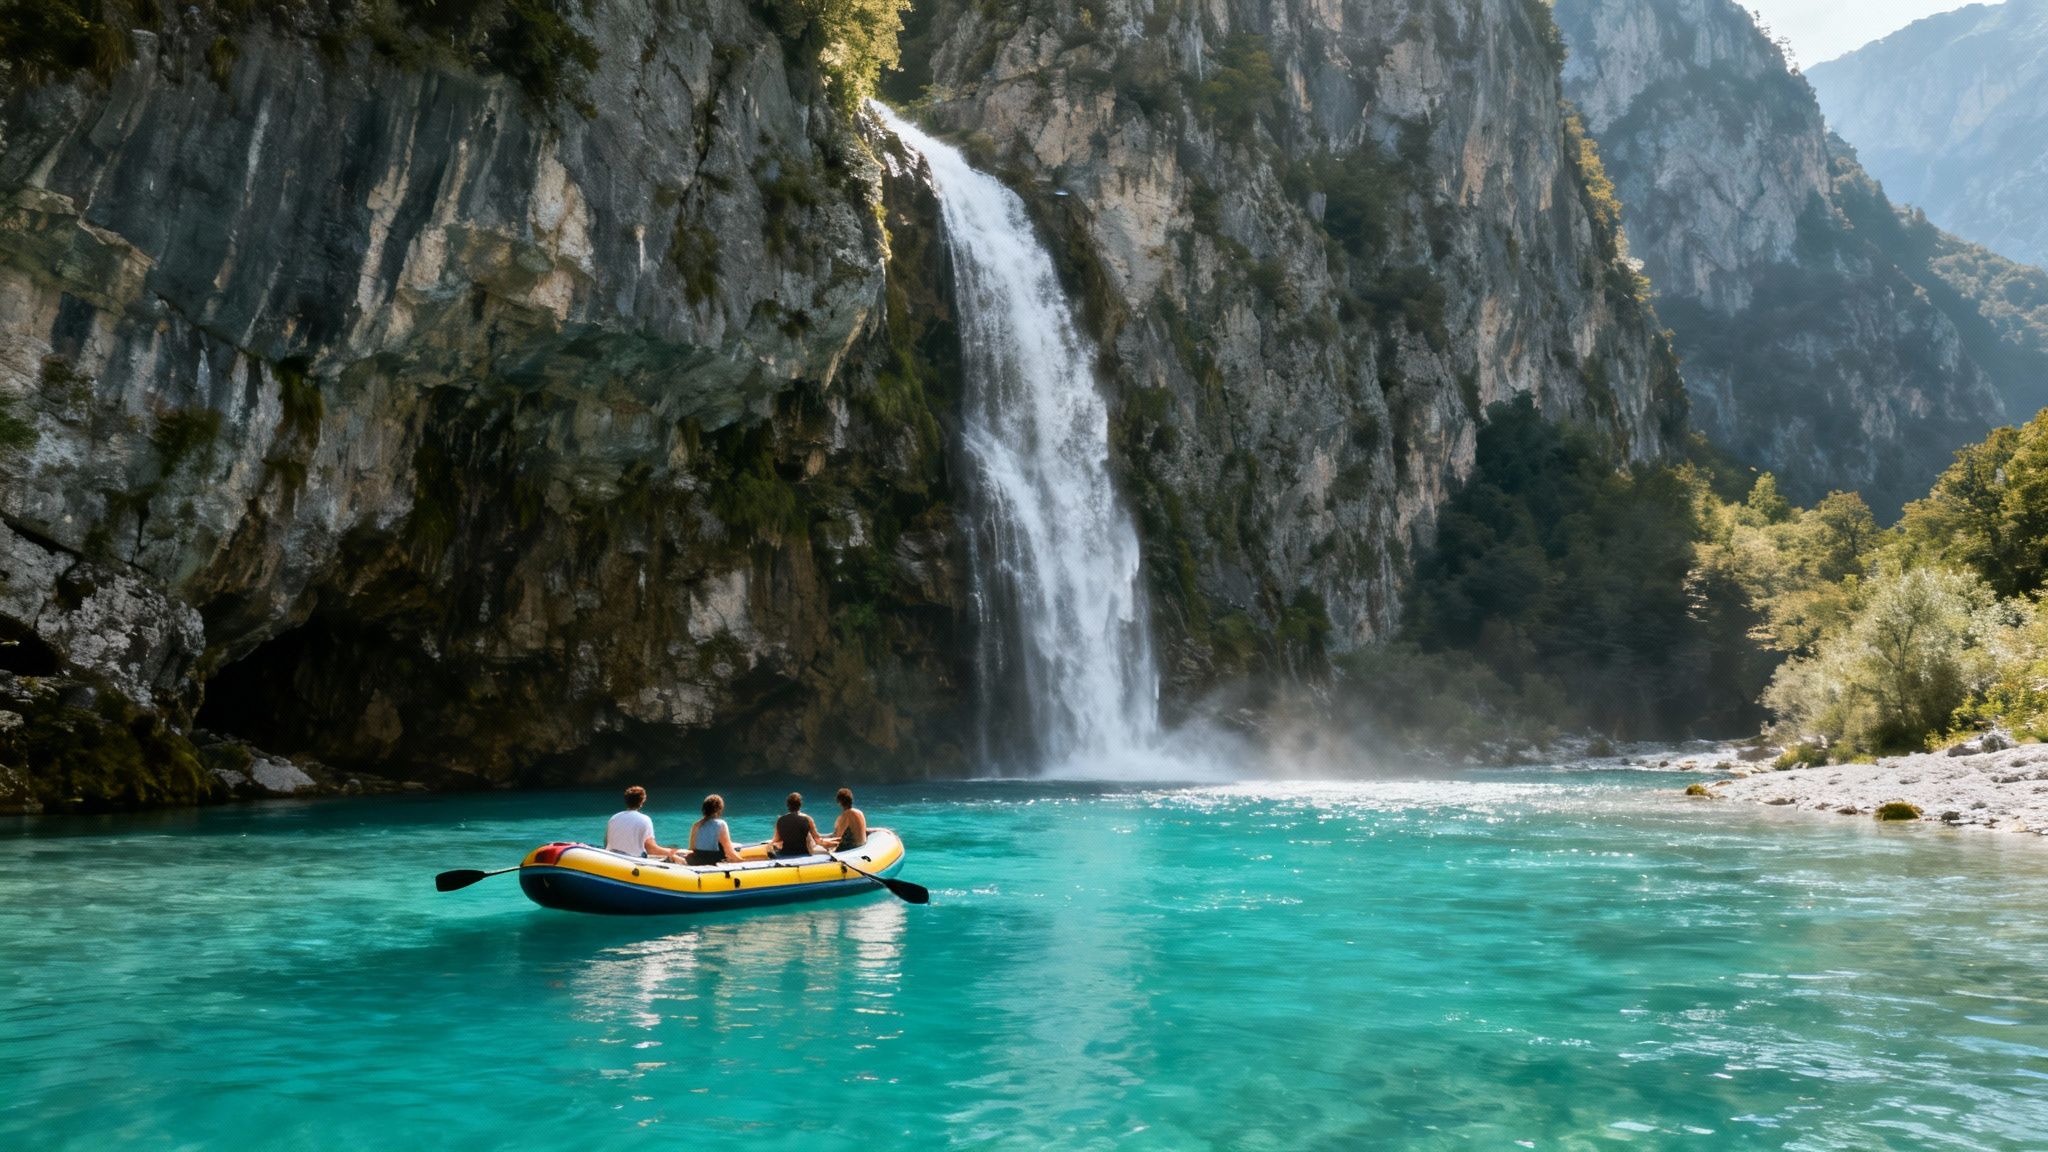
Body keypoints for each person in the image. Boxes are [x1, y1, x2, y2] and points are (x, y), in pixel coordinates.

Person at [605, 786, 682, 862]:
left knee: (680, 851)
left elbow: (607, 842)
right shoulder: (645, 820)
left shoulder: (614, 818)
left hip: (612, 858)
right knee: (678, 856)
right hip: (633, 861)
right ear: (642, 801)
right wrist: (671, 853)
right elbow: (651, 849)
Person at [684, 794, 743, 866]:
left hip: (697, 860)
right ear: (719, 809)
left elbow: (692, 849)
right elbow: (729, 852)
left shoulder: (696, 825)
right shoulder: (721, 824)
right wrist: (743, 862)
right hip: (714, 861)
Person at [769, 791, 824, 859]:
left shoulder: (780, 819)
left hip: (786, 853)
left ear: (788, 805)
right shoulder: (807, 818)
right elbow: (817, 839)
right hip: (803, 853)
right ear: (800, 805)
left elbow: (776, 839)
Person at [821, 787, 867, 851]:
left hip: (852, 847)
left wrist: (821, 842)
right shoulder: (859, 812)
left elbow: (837, 836)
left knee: (820, 845)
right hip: (862, 844)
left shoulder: (845, 816)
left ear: (839, 802)